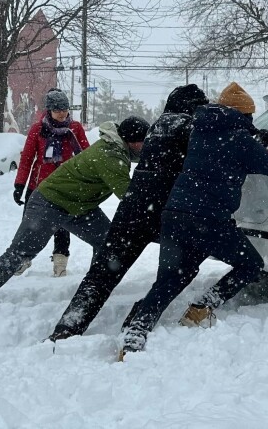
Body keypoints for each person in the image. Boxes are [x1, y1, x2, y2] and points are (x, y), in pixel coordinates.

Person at [119, 83, 268, 358]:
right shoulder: (240, 140)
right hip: (209, 220)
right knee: (250, 264)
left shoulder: (200, 131)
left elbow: (226, 151)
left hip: (175, 215)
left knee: (171, 278)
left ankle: (135, 333)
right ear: (243, 114)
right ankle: (201, 308)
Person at [49, 84, 209, 342]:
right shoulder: (189, 129)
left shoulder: (156, 127)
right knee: (182, 267)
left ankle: (67, 328)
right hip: (163, 214)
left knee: (101, 275)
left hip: (132, 211)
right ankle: (141, 314)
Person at [0, 116, 150, 317]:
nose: (146, 146)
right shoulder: (111, 156)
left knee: (107, 242)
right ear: (131, 141)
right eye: (144, 142)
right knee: (19, 255)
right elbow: (130, 197)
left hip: (78, 207)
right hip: (49, 203)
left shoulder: (116, 149)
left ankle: (92, 290)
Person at [13, 89, 89, 277]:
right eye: (57, 110)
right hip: (38, 185)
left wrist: (86, 180)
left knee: (62, 225)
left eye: (64, 109)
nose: (62, 113)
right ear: (49, 110)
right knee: (29, 225)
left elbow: (86, 156)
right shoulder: (38, 129)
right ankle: (22, 259)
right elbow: (27, 159)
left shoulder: (75, 128)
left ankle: (60, 261)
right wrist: (19, 185)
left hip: (65, 185)